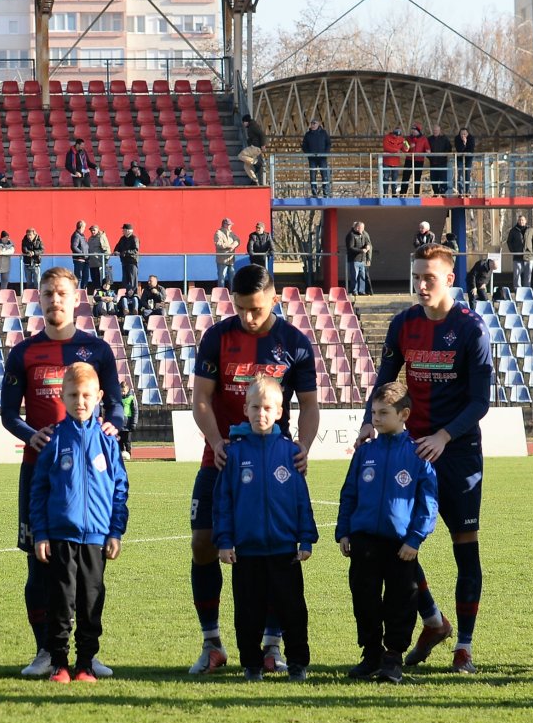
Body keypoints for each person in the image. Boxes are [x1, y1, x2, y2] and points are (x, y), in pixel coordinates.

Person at [361, 243, 488, 670]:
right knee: (399, 541)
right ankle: (433, 620)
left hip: (458, 449)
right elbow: (385, 377)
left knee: (464, 544)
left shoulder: (472, 329)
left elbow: (480, 401)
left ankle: (463, 647)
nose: (420, 285)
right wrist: (367, 419)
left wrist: (445, 436)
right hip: (412, 450)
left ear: (449, 279)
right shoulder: (403, 324)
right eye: (416, 276)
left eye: (428, 278)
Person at [187, 264, 319, 675]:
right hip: (222, 458)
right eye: (241, 308)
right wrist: (215, 441)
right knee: (203, 543)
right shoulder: (217, 337)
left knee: (277, 550)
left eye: (256, 309)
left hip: (273, 464)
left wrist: (304, 447)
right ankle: (212, 642)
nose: (248, 317)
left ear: (275, 298)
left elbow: (311, 406)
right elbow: (201, 399)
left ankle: (272, 645)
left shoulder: (294, 343)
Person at [2, 267, 125, 678]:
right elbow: (7, 413)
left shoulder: (98, 350)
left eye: (62, 294)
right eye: (48, 293)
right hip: (40, 472)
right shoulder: (24, 352)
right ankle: (45, 651)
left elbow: (118, 404)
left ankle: (88, 655)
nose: (55, 300)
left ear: (76, 298)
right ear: (39, 297)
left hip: (87, 478)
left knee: (90, 573)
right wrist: (30, 434)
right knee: (39, 563)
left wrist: (115, 424)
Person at [29, 362, 129, 684]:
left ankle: (86, 662)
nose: (80, 401)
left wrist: (115, 531)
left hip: (97, 538)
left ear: (99, 396)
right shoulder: (54, 440)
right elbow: (39, 489)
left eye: (87, 395)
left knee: (91, 601)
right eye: (73, 395)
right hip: (61, 535)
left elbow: (120, 489)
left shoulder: (108, 441)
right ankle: (59, 663)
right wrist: (41, 533)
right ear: (62, 396)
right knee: (61, 602)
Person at [214, 377, 318, 681]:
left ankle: (298, 662)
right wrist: (224, 541)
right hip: (246, 551)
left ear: (279, 412)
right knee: (248, 614)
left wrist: (306, 538)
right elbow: (224, 502)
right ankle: (252, 665)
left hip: (285, 550)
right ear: (245, 409)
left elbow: (302, 499)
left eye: (267, 408)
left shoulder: (290, 453)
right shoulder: (234, 454)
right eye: (255, 407)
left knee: (293, 611)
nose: (261, 413)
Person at [335, 380, 438, 683]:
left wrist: (415, 538)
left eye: (383, 413)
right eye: (374, 413)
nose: (376, 419)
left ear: (404, 415)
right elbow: (349, 493)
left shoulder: (418, 455)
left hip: (401, 544)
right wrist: (344, 530)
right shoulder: (365, 453)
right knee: (364, 599)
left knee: (400, 602)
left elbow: (428, 503)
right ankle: (370, 654)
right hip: (364, 540)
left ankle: (393, 657)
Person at [301, 118, 332, 197]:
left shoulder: (323, 133)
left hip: (322, 157)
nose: (313, 125)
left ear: (318, 124)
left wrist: (325, 153)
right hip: (312, 158)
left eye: (314, 123)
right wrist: (309, 153)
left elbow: (328, 143)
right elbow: (304, 145)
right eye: (312, 123)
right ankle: (314, 190)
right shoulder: (308, 134)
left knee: (324, 174)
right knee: (312, 175)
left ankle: (326, 190)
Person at [506, 213, 533, 291]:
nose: (521, 221)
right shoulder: (513, 230)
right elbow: (509, 242)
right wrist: (513, 251)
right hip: (517, 257)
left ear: (525, 221)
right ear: (517, 221)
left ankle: (527, 291)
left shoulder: (530, 230)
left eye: (522, 220)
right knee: (516, 275)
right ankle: (517, 291)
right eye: (519, 220)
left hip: (529, 257)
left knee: (528, 275)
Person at [345, 221, 373, 296]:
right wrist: (361, 250)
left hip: (362, 260)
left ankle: (361, 291)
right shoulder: (351, 235)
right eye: (362, 228)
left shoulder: (363, 235)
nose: (363, 230)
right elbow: (350, 248)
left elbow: (367, 242)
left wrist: (367, 246)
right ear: (357, 228)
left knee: (362, 276)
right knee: (355, 276)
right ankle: (354, 291)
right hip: (354, 260)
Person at [213, 219, 239, 290]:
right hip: (222, 260)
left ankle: (232, 293)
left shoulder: (231, 233)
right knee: (222, 278)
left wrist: (234, 245)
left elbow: (238, 240)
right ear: (225, 224)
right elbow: (218, 244)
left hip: (231, 260)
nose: (231, 226)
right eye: (229, 224)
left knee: (232, 278)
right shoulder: (218, 233)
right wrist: (229, 246)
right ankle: (221, 294)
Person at [114, 223, 140, 289]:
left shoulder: (134, 238)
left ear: (128, 230)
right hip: (124, 262)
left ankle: (134, 294)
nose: (122, 231)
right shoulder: (122, 238)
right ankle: (126, 294)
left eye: (124, 230)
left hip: (132, 262)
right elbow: (118, 246)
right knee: (125, 280)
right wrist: (116, 251)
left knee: (132, 279)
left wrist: (125, 252)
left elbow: (135, 250)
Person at [87, 224, 112, 293]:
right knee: (95, 282)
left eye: (94, 230)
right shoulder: (90, 239)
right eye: (91, 230)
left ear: (97, 230)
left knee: (102, 282)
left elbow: (106, 250)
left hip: (99, 263)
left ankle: (102, 297)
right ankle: (97, 297)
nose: (92, 232)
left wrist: (105, 261)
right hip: (92, 263)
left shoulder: (101, 237)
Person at [380, 126, 404, 198]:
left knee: (395, 179)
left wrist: (407, 146)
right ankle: (385, 193)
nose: (396, 136)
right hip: (387, 161)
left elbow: (405, 149)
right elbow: (386, 147)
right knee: (386, 178)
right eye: (395, 134)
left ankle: (394, 194)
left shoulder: (402, 139)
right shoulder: (387, 137)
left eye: (398, 135)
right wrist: (396, 150)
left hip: (396, 162)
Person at [427, 127, 452, 195]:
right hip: (433, 162)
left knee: (443, 178)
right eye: (434, 130)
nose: (435, 131)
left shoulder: (445, 139)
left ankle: (443, 192)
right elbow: (426, 149)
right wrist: (430, 158)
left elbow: (449, 148)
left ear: (440, 131)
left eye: (437, 130)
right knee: (433, 179)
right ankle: (436, 192)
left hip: (442, 162)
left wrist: (444, 156)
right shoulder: (429, 139)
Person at [453, 126, 477, 194]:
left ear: (467, 134)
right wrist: (464, 143)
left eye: (464, 134)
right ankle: (461, 191)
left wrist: (466, 143)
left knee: (467, 173)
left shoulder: (471, 138)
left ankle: (467, 191)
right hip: (460, 158)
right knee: (460, 174)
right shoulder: (457, 139)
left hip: (468, 158)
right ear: (459, 134)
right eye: (461, 134)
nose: (463, 135)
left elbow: (471, 149)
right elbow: (459, 149)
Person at [69, 221, 92, 290]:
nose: (85, 228)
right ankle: (77, 292)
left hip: (85, 260)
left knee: (85, 277)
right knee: (79, 277)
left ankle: (83, 292)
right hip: (79, 259)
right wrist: (82, 253)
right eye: (84, 227)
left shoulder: (82, 235)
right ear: (82, 227)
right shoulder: (76, 235)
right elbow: (74, 246)